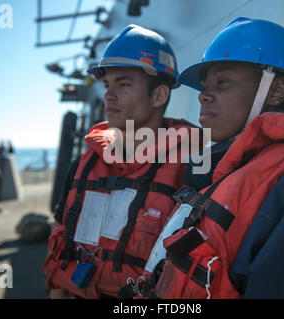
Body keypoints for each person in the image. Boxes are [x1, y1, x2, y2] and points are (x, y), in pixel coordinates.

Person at [135, 17, 284, 299]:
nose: (203, 96)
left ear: (275, 91)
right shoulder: (232, 173)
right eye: (204, 86)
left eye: (222, 81)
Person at [43, 24, 202, 299]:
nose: (108, 95)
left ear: (159, 95)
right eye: (107, 85)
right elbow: (60, 236)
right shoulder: (85, 163)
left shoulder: (192, 170)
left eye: (124, 84)